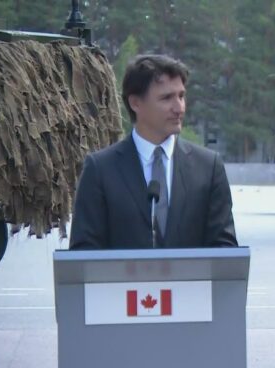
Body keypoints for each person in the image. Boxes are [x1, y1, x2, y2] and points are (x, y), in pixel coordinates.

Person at [69, 54, 237, 249]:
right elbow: (84, 253)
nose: (179, 108)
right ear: (135, 103)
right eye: (166, 98)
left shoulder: (208, 167)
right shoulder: (100, 170)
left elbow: (225, 251)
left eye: (181, 96)